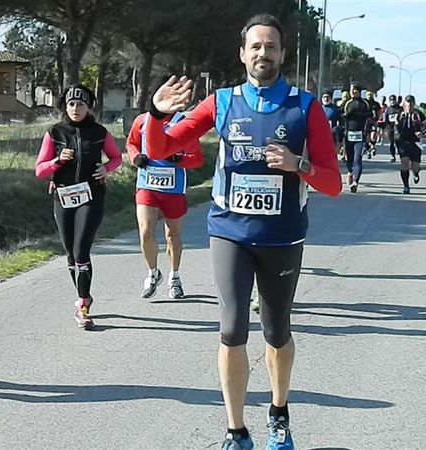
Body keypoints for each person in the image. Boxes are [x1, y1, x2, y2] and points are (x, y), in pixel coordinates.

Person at [143, 14, 341, 450]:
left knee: (276, 331)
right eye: (255, 46)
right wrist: (156, 113)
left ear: (282, 54)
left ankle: (278, 414)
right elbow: (159, 147)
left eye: (271, 47)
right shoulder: (222, 102)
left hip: (283, 236)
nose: (263, 54)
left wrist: (298, 165)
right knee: (231, 328)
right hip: (229, 230)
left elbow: (333, 182)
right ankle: (235, 430)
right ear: (242, 53)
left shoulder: (305, 107)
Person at [34, 84, 122, 329]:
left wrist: (107, 168)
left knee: (82, 251)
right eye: (71, 104)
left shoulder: (99, 132)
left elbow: (117, 157)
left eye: (81, 104)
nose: (76, 108)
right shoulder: (55, 133)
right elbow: (39, 170)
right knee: (71, 254)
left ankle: (82, 304)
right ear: (65, 106)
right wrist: (56, 162)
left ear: (88, 107)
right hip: (63, 198)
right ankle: (84, 293)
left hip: (91, 196)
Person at [126, 103, 202, 299]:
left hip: (174, 188)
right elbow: (131, 144)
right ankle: (152, 273)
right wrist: (136, 158)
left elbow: (196, 158)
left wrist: (178, 159)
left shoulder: (183, 123)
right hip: (147, 184)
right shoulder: (142, 120)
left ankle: (174, 276)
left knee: (172, 236)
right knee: (145, 232)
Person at [340, 81, 371, 193]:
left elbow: (369, 118)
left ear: (359, 91)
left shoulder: (365, 104)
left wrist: (367, 132)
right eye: (351, 90)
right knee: (349, 159)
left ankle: (355, 182)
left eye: (355, 90)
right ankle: (350, 172)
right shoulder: (347, 103)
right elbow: (340, 115)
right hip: (348, 134)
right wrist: (346, 115)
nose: (352, 92)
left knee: (358, 159)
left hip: (360, 135)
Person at [395, 95, 423, 194]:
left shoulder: (419, 114)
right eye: (407, 105)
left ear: (414, 104)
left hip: (415, 142)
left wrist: (421, 132)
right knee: (404, 162)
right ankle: (406, 186)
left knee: (415, 166)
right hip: (402, 141)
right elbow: (393, 125)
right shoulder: (399, 114)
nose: (409, 107)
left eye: (411, 105)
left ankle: (416, 173)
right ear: (404, 105)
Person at [320, 90, 343, 156]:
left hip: (332, 134)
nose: (326, 99)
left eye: (328, 97)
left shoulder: (336, 109)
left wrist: (335, 129)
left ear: (331, 98)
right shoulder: (318, 108)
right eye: (324, 97)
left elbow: (342, 123)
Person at [384, 95, 403, 162]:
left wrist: (399, 121)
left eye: (393, 100)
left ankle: (401, 155)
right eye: (391, 100)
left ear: (396, 100)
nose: (392, 102)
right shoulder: (388, 109)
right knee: (391, 143)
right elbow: (386, 119)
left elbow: (403, 117)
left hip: (398, 128)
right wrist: (385, 129)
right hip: (390, 128)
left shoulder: (400, 108)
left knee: (398, 142)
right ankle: (393, 156)